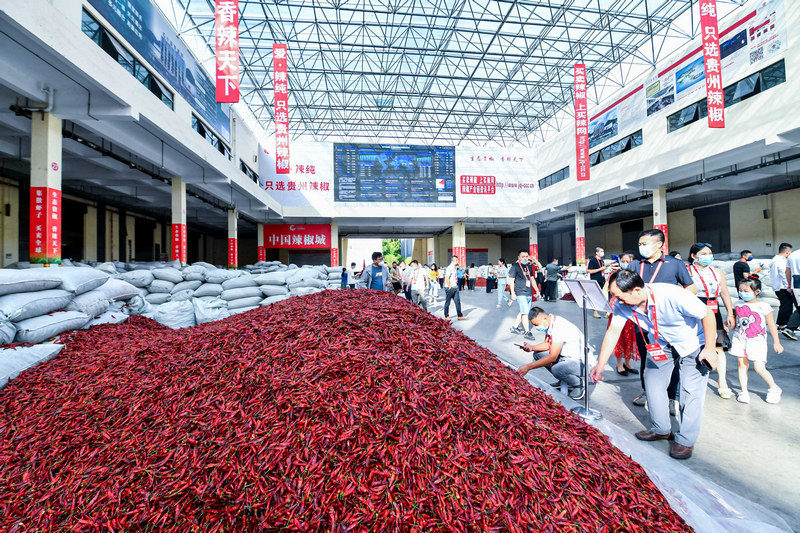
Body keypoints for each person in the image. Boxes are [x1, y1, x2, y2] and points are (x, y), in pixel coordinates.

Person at [591, 270, 718, 460]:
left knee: (690, 392)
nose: (617, 300)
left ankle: (685, 441)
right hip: (660, 344)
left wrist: (709, 348)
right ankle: (661, 429)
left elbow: (707, 314)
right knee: (652, 384)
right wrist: (600, 364)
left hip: (693, 343)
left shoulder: (671, 295)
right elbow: (613, 332)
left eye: (619, 295)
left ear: (636, 290)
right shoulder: (622, 304)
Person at [626, 229, 696, 410]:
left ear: (659, 244)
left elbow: (691, 288)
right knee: (646, 359)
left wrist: (673, 303)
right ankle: (647, 391)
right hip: (642, 322)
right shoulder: (634, 265)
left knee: (672, 361)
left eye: (645, 244)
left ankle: (672, 396)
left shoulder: (674, 264)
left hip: (667, 323)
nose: (641, 247)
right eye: (640, 244)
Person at [688, 243, 735, 399]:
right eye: (703, 253)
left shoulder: (717, 272)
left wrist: (730, 313)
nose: (708, 256)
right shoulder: (688, 271)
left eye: (709, 253)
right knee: (694, 344)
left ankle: (722, 383)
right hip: (694, 307)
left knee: (718, 346)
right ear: (694, 256)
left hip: (714, 309)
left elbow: (725, 294)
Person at [517, 307, 592, 400]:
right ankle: (564, 379)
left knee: (557, 369)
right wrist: (532, 347)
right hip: (567, 357)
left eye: (536, 324)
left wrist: (528, 367)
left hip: (582, 362)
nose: (537, 327)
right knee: (538, 354)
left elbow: (552, 357)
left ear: (544, 317)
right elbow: (548, 344)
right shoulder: (551, 322)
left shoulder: (559, 327)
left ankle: (579, 384)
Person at [730, 278, 784, 404]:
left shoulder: (764, 306)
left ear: (757, 291)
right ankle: (744, 392)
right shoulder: (737, 304)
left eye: (746, 290)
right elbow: (734, 319)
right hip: (740, 338)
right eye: (740, 290)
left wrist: (777, 342)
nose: (742, 292)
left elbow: (771, 325)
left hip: (757, 340)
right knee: (742, 365)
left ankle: (774, 388)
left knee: (759, 367)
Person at [602, 252, 639, 375]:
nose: (625, 263)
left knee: (630, 337)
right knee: (618, 337)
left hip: (632, 308)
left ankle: (627, 363)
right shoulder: (614, 274)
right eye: (623, 261)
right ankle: (619, 365)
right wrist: (606, 307)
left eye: (627, 261)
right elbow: (605, 289)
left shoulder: (636, 275)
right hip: (617, 307)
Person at [508, 249, 540, 339]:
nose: (525, 258)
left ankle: (514, 327)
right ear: (519, 257)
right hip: (520, 292)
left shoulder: (529, 267)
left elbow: (532, 279)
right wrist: (513, 293)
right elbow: (511, 280)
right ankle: (527, 332)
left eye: (526, 256)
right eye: (523, 257)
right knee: (525, 312)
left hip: (528, 292)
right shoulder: (515, 267)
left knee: (524, 311)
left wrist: (537, 290)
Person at [770, 243, 795, 339]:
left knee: (786, 305)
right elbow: (784, 273)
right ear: (787, 252)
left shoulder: (775, 259)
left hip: (778, 286)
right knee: (786, 305)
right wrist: (788, 286)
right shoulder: (781, 261)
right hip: (782, 287)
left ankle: (785, 323)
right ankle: (782, 324)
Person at [782, 247, 800, 339]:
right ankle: (789, 328)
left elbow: (787, 271)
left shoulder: (792, 255)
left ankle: (789, 329)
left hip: (796, 284)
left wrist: (789, 285)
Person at [443, 256, 466, 320]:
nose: (458, 262)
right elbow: (447, 278)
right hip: (450, 288)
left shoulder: (454, 268)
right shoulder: (449, 268)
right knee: (448, 302)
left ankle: (460, 315)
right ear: (454, 260)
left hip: (455, 287)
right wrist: (450, 286)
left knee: (457, 302)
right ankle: (446, 315)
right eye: (457, 260)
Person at [587, 247, 608, 318]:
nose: (603, 252)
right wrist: (600, 269)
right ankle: (595, 312)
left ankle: (607, 311)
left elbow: (601, 270)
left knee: (604, 296)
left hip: (602, 279)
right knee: (594, 296)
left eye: (603, 251)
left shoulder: (602, 260)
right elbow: (589, 270)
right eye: (601, 251)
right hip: (595, 280)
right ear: (597, 252)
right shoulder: (593, 260)